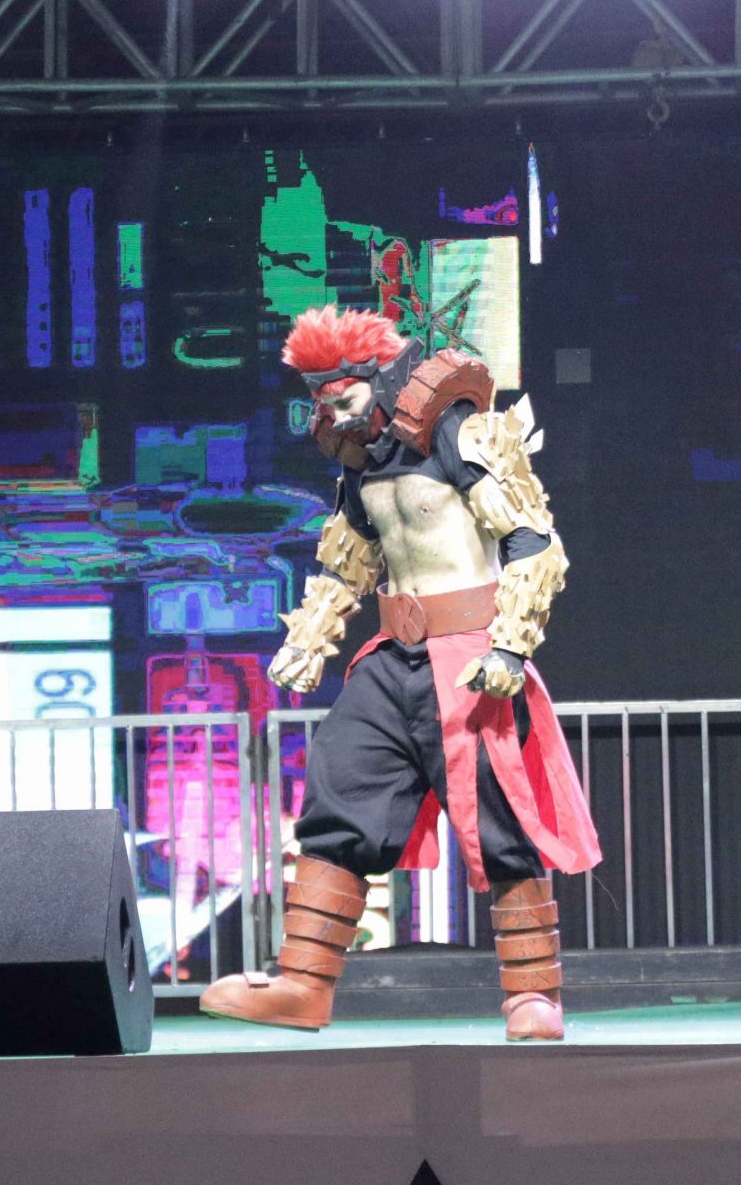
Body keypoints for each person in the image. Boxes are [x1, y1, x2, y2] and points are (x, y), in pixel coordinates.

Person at [200, 306, 601, 1041]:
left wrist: (509, 647)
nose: (332, 413)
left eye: (344, 395)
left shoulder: (459, 434)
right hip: (392, 655)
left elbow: (533, 541)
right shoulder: (361, 462)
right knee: (340, 787)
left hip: (469, 650)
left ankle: (532, 994)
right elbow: (348, 559)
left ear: (381, 380)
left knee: (500, 812)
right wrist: (311, 636)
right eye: (321, 400)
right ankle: (304, 984)